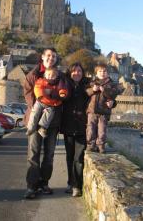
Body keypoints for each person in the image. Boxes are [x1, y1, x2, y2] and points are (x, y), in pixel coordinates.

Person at [23, 48, 65, 199]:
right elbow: (28, 94)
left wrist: (52, 96)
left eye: (54, 56)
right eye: (48, 55)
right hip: (35, 120)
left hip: (53, 122)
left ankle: (44, 183)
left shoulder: (60, 76)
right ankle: (31, 186)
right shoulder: (33, 74)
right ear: (42, 57)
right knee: (33, 154)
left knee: (49, 155)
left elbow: (66, 93)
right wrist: (42, 105)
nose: (51, 58)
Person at [60, 62, 89, 197]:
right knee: (69, 157)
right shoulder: (65, 85)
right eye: (74, 71)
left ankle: (77, 186)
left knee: (79, 158)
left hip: (82, 127)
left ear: (83, 73)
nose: (77, 73)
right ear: (70, 73)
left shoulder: (87, 86)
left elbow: (101, 96)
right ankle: (70, 183)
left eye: (79, 71)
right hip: (68, 126)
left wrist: (112, 103)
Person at [86, 63, 120, 153]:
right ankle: (91, 145)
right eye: (100, 71)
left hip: (104, 112)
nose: (102, 73)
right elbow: (86, 93)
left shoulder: (112, 84)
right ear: (96, 73)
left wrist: (104, 90)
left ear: (108, 73)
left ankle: (101, 146)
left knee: (102, 131)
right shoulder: (92, 83)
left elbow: (113, 94)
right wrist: (93, 90)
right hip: (92, 111)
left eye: (104, 71)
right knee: (90, 129)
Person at [26, 67, 68, 138]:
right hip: (41, 101)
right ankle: (31, 127)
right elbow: (37, 87)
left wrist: (62, 94)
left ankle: (42, 127)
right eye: (48, 75)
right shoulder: (41, 81)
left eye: (53, 75)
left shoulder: (58, 83)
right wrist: (40, 95)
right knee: (34, 112)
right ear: (45, 75)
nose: (50, 77)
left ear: (56, 76)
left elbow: (62, 89)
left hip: (50, 104)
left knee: (49, 114)